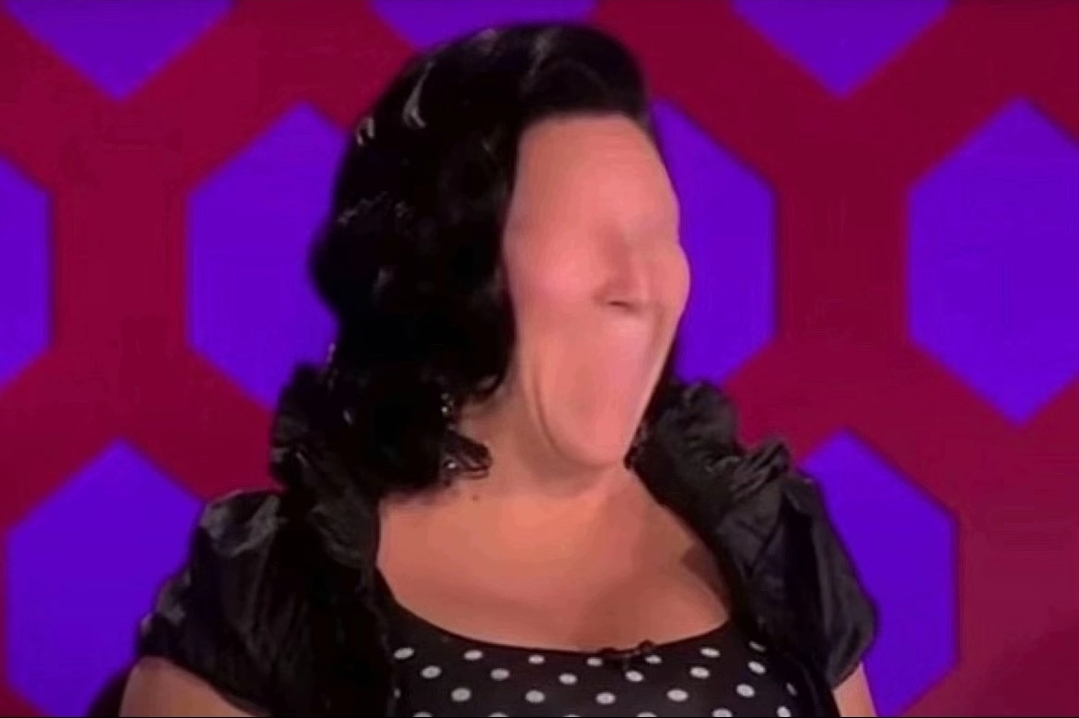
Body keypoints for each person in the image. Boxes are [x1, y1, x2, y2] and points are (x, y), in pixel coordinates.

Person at [118, 22, 877, 718]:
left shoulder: (768, 546)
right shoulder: (277, 592)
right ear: (452, 268)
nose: (639, 284)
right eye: (585, 234)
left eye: (659, 233)